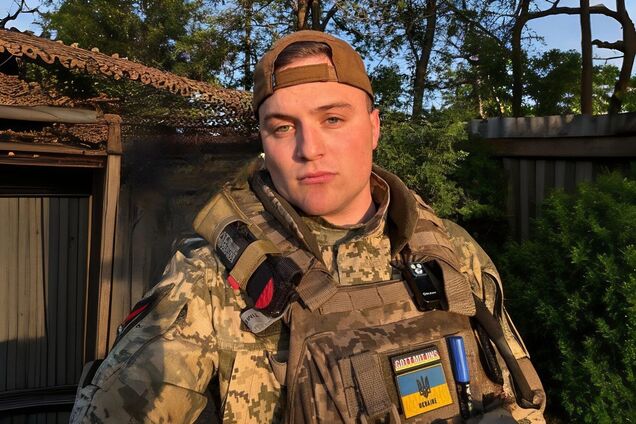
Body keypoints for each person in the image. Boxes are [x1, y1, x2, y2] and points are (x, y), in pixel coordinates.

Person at [70, 31, 546, 423]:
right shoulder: (212, 279)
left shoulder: (450, 252)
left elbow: (522, 400)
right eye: (283, 127)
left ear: (374, 127)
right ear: (264, 139)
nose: (308, 149)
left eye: (332, 119)